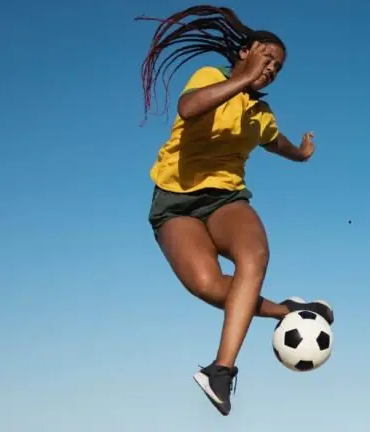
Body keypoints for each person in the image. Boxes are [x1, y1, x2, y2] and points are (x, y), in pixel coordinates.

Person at [136, 5, 335, 417]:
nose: (272, 70)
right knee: (208, 286)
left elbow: (275, 142)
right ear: (246, 52)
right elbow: (189, 108)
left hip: (225, 200)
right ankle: (293, 310)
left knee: (254, 256)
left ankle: (221, 371)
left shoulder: (259, 114)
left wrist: (302, 153)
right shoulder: (210, 78)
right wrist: (242, 80)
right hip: (175, 202)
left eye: (278, 68)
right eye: (268, 59)